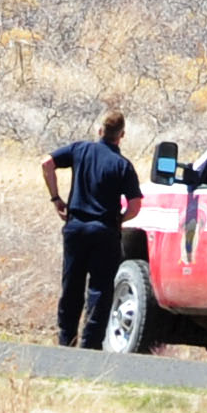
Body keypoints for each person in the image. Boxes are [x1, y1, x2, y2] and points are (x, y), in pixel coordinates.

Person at [40, 107, 142, 348]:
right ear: (122, 135)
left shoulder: (80, 150)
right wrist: (120, 220)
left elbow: (46, 163)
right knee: (100, 288)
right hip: (105, 231)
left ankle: (66, 339)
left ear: (100, 130)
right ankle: (90, 343)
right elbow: (136, 205)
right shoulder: (123, 165)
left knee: (72, 284)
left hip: (76, 227)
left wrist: (56, 198)